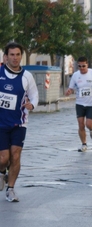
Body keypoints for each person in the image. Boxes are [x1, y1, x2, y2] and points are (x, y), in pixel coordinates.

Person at [0, 42, 39, 202]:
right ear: (6, 56)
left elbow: (34, 95)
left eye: (17, 55)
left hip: (19, 123)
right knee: (4, 158)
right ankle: (2, 172)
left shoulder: (26, 76)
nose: (15, 58)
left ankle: (11, 189)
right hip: (1, 124)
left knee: (15, 155)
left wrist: (32, 104)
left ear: (21, 56)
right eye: (12, 55)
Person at [65, 56, 92, 152]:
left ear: (87, 65)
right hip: (79, 103)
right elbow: (71, 88)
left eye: (83, 66)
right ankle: (84, 144)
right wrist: (69, 91)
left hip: (91, 103)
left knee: (88, 124)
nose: (82, 68)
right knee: (80, 125)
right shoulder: (75, 75)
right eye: (79, 66)